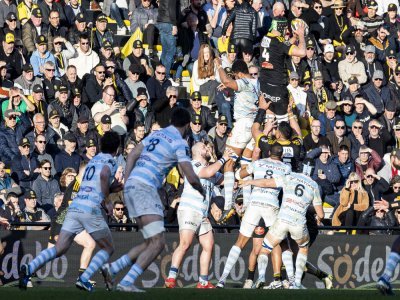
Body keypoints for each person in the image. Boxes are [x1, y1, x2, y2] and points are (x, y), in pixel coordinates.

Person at [100, 108, 205, 292]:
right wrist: (200, 188)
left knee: (151, 241)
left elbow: (132, 155)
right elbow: (190, 174)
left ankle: (113, 268)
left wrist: (129, 180)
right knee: (158, 243)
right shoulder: (180, 143)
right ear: (187, 125)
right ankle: (125, 282)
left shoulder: (156, 134)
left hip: (133, 185)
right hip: (145, 188)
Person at [20, 131, 123, 291]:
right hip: (90, 208)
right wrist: (108, 202)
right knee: (108, 247)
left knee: (59, 248)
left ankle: (29, 268)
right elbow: (103, 177)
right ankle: (84, 278)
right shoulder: (111, 160)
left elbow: (99, 183)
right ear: (116, 149)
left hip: (75, 207)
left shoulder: (93, 160)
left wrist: (116, 187)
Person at [240, 158, 324, 289]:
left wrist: (251, 181)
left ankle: (261, 276)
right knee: (302, 249)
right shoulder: (314, 185)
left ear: (301, 167)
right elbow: (321, 214)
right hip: (298, 222)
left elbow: (267, 183)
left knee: (265, 248)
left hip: (282, 220)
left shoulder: (290, 177)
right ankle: (296, 283)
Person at [216, 144, 291, 289]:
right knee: (275, 243)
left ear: (268, 152)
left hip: (254, 203)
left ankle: (222, 280)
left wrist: (239, 174)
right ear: (281, 156)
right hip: (271, 205)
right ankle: (278, 279)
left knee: (240, 242)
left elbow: (239, 175)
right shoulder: (286, 168)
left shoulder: (258, 163)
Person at [165, 143, 232, 288]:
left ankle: (203, 281)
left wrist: (241, 167)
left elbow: (228, 180)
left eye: (208, 147)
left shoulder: (210, 168)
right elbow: (206, 173)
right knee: (185, 244)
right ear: (196, 152)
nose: (208, 148)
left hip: (202, 213)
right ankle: (171, 278)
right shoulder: (192, 164)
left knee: (209, 245)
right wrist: (223, 159)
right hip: (190, 209)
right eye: (204, 147)